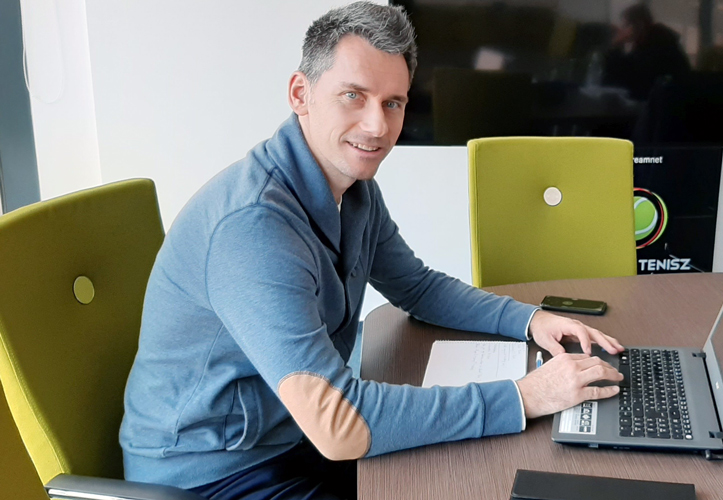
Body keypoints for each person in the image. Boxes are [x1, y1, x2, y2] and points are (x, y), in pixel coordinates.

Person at [120, 3, 623, 499]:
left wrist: (530, 320)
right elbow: (338, 425)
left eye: (392, 103)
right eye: (353, 96)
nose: (377, 126)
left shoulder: (354, 189)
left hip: (290, 436)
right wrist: (523, 396)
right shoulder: (253, 227)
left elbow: (417, 287)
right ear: (301, 94)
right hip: (212, 473)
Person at [603, 3, 691, 100]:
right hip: (661, 100)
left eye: (626, 25)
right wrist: (617, 48)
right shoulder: (649, 41)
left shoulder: (659, 44)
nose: (623, 30)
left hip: (667, 103)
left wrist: (616, 46)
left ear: (640, 25)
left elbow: (633, 79)